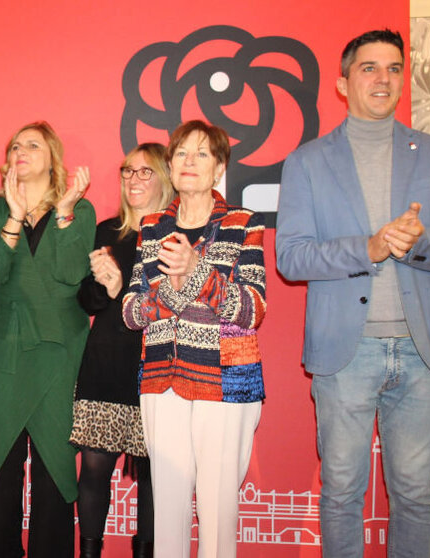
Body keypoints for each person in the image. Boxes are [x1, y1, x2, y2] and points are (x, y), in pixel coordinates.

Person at [276, 29, 430, 557]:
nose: (384, 78)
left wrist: (420, 243)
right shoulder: (306, 161)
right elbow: (293, 257)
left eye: (394, 68)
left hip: (422, 353)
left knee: (417, 496)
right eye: (369, 68)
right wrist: (368, 248)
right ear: (342, 82)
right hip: (344, 355)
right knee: (342, 495)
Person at [122, 120, 266, 558]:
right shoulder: (151, 227)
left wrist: (197, 272)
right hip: (162, 381)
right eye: (182, 153)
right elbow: (131, 311)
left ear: (219, 167)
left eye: (202, 154)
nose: (190, 162)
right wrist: (173, 290)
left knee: (219, 512)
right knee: (167, 514)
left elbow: (253, 309)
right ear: (170, 165)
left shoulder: (243, 223)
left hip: (225, 382)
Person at [0, 121, 95, 558]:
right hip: (3, 350)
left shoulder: (79, 210)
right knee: (1, 468)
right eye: (15, 146)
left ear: (52, 157)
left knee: (54, 470)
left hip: (60, 354)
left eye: (32, 144)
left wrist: (62, 211)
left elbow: (69, 274)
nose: (21, 151)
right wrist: (12, 213)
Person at [71, 143, 174, 558]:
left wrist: (124, 287)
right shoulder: (106, 232)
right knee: (94, 470)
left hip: (157, 368)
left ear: (164, 178)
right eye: (127, 171)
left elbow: (176, 304)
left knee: (153, 476)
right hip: (106, 362)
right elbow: (88, 302)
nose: (133, 179)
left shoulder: (178, 235)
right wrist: (104, 286)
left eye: (145, 172)